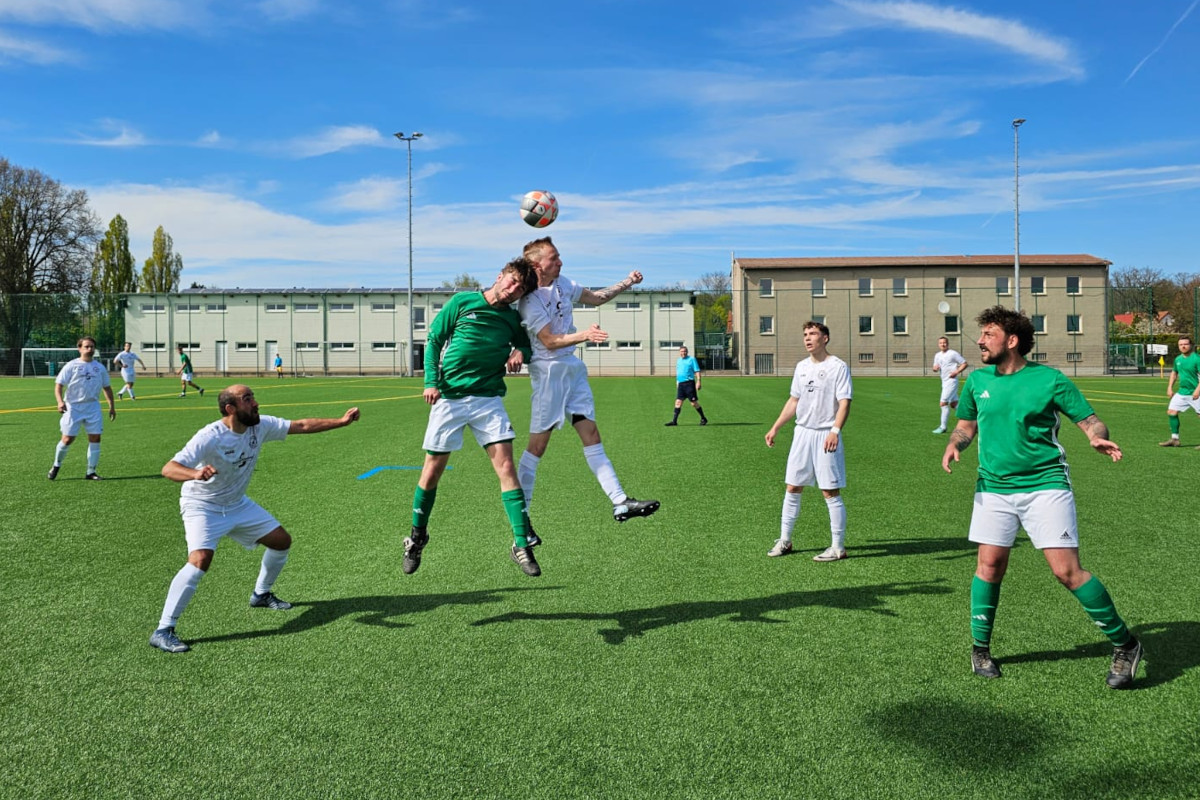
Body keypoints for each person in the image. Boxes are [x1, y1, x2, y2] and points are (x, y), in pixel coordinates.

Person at [942, 306, 1142, 688]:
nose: (980, 340)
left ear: (1012, 341)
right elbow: (965, 425)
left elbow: (1089, 419)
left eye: (988, 334)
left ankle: (1126, 645)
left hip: (1045, 485)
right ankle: (980, 649)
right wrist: (956, 445)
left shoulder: (1050, 380)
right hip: (993, 488)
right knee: (989, 567)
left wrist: (1095, 436)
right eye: (981, 334)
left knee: (1066, 571)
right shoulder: (977, 381)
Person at [148, 385, 360, 653]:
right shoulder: (210, 436)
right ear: (230, 409)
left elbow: (303, 425)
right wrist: (194, 474)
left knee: (281, 541)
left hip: (237, 504)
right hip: (203, 506)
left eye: (253, 397)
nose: (256, 403)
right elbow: (169, 468)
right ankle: (163, 630)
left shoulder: (261, 426)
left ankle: (261, 594)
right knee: (200, 561)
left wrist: (341, 422)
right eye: (247, 399)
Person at [403, 258, 542, 577]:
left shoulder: (512, 318)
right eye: (512, 281)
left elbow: (526, 347)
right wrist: (430, 382)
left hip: (488, 398)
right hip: (449, 397)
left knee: (506, 466)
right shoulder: (462, 302)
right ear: (500, 276)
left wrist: (520, 352)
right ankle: (417, 537)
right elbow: (434, 340)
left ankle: (521, 544)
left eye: (520, 288)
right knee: (432, 470)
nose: (513, 289)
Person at [516, 236, 660, 529]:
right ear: (536, 265)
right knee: (537, 446)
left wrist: (627, 282)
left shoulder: (563, 283)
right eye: (553, 258)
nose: (560, 261)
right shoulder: (529, 301)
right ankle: (521, 514)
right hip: (549, 372)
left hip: (572, 368)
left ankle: (620, 501)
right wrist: (584, 335)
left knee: (591, 433)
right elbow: (549, 341)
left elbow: (595, 298)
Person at [764, 321, 852, 561]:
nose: (807, 338)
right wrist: (775, 428)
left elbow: (844, 402)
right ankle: (785, 540)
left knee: (829, 491)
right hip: (802, 433)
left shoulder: (838, 367)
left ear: (825, 338)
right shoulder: (801, 367)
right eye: (805, 334)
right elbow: (794, 400)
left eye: (813, 334)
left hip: (826, 434)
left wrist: (835, 430)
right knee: (792, 486)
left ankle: (837, 547)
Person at [48, 336, 116, 481]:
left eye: (92, 347)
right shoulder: (71, 366)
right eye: (86, 346)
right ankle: (56, 465)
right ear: (79, 348)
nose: (90, 349)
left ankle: (91, 472)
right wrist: (60, 402)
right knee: (67, 439)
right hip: (73, 407)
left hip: (93, 406)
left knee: (95, 438)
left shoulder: (99, 367)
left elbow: (107, 388)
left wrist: (112, 406)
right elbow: (59, 385)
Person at [1158, 335, 1200, 447]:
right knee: (1172, 412)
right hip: (1182, 392)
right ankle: (1175, 439)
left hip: (1196, 392)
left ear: (1191, 345)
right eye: (1181, 345)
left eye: (1185, 344)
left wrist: (1197, 390)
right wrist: (1169, 387)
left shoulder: (1197, 359)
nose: (1183, 346)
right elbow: (1174, 373)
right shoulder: (1178, 359)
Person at [931, 336, 967, 433]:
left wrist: (956, 372)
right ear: (938, 344)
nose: (943, 344)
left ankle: (943, 427)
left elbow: (964, 363)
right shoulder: (937, 355)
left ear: (948, 343)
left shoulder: (953, 353)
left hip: (951, 381)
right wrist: (935, 369)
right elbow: (935, 367)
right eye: (941, 343)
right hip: (944, 382)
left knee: (943, 403)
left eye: (944, 342)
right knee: (954, 404)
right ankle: (971, 420)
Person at [665, 345, 708, 426]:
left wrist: (698, 381)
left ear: (687, 352)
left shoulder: (692, 359)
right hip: (681, 384)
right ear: (679, 352)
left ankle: (703, 418)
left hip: (689, 384)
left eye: (684, 351)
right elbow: (679, 372)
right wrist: (677, 382)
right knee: (678, 402)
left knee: (693, 403)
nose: (683, 353)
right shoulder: (678, 361)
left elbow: (697, 371)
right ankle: (674, 421)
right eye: (681, 351)